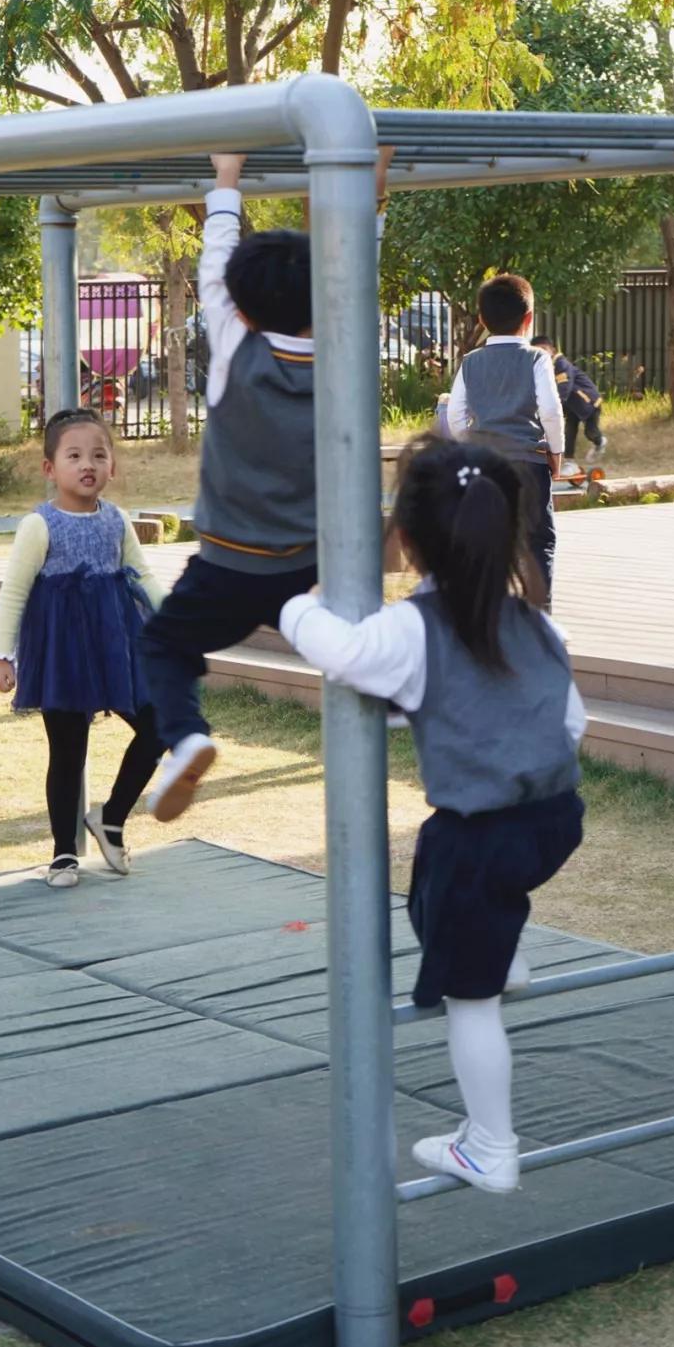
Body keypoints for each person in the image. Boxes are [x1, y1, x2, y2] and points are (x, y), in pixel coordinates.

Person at [281, 436, 585, 1193]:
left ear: (407, 542)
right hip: (556, 815)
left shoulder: (411, 629)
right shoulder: (540, 625)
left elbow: (342, 651)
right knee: (450, 888)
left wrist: (290, 603)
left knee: (467, 995)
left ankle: (489, 1143)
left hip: (480, 833)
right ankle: (496, 950)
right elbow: (571, 721)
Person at [141, 146, 394, 822]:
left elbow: (216, 267)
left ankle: (187, 734)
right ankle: (395, 691)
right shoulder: (349, 349)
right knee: (358, 634)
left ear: (245, 309)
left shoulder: (235, 346)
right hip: (312, 565)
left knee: (162, 645)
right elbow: (357, 275)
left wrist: (226, 176)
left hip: (226, 564)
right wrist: (372, 189)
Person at [0, 408, 166, 888]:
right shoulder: (38, 525)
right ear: (50, 468)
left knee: (160, 723)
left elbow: (142, 574)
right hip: (62, 649)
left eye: (99, 455)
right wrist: (2, 655)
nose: (88, 464)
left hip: (116, 644)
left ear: (113, 467)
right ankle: (64, 853)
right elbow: (14, 591)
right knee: (67, 751)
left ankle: (111, 818)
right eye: (74, 456)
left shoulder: (117, 520)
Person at [446, 275, 565, 604]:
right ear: (528, 319)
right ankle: (537, 616)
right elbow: (551, 411)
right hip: (529, 463)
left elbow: (456, 415)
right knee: (538, 540)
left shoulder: (470, 362)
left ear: (482, 320)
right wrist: (556, 451)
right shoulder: (536, 359)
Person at [531, 335, 607, 475]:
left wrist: (553, 404)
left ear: (552, 350)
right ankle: (570, 463)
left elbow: (564, 387)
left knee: (590, 432)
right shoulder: (542, 367)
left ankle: (599, 441)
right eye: (536, 351)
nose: (540, 353)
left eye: (543, 349)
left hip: (588, 402)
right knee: (568, 432)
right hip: (571, 406)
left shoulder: (561, 364)